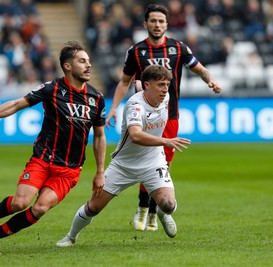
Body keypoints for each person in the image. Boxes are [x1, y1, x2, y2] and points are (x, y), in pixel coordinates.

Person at [0, 41, 106, 255]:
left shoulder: (96, 98)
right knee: (21, 203)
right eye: (82, 61)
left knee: (39, 208)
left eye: (89, 61)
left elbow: (100, 136)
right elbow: (17, 104)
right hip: (43, 160)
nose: (88, 65)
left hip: (69, 170)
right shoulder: (52, 88)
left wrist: (100, 172)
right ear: (67, 66)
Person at [105, 3, 221, 232]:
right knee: (144, 159)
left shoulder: (178, 48)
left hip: (170, 115)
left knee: (162, 164)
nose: (157, 25)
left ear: (167, 24)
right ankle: (142, 208)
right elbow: (124, 82)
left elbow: (198, 68)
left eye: (161, 21)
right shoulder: (136, 52)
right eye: (153, 21)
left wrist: (210, 80)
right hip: (144, 115)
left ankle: (151, 210)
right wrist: (114, 108)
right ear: (145, 24)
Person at [56, 64, 191, 247]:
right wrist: (166, 141)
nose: (165, 89)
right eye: (160, 84)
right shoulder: (134, 106)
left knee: (167, 203)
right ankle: (71, 237)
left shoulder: (165, 97)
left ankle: (161, 213)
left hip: (153, 161)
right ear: (147, 85)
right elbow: (135, 136)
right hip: (124, 165)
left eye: (167, 84)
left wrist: (142, 87)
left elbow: (146, 92)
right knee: (94, 206)